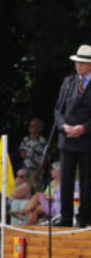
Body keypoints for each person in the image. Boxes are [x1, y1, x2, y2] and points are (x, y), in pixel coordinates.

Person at [53, 44, 91, 226]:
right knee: (66, 179)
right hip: (67, 138)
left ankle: (84, 217)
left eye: (83, 63)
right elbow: (58, 109)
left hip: (87, 139)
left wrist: (84, 128)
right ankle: (65, 216)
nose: (79, 66)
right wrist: (64, 126)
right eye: (78, 63)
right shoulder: (69, 82)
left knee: (87, 181)